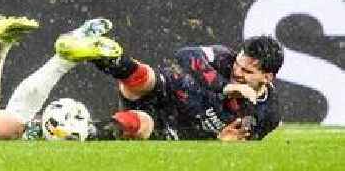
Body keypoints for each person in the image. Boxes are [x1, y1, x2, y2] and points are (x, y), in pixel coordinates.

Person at [54, 21, 284, 141]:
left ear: (268, 77)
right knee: (144, 78)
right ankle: (100, 54)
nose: (238, 72)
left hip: (173, 127)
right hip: (166, 89)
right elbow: (185, 54)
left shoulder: (267, 113)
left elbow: (242, 142)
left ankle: (84, 132)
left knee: (141, 124)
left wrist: (221, 141)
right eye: (238, 65)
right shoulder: (223, 57)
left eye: (247, 72)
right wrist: (225, 86)